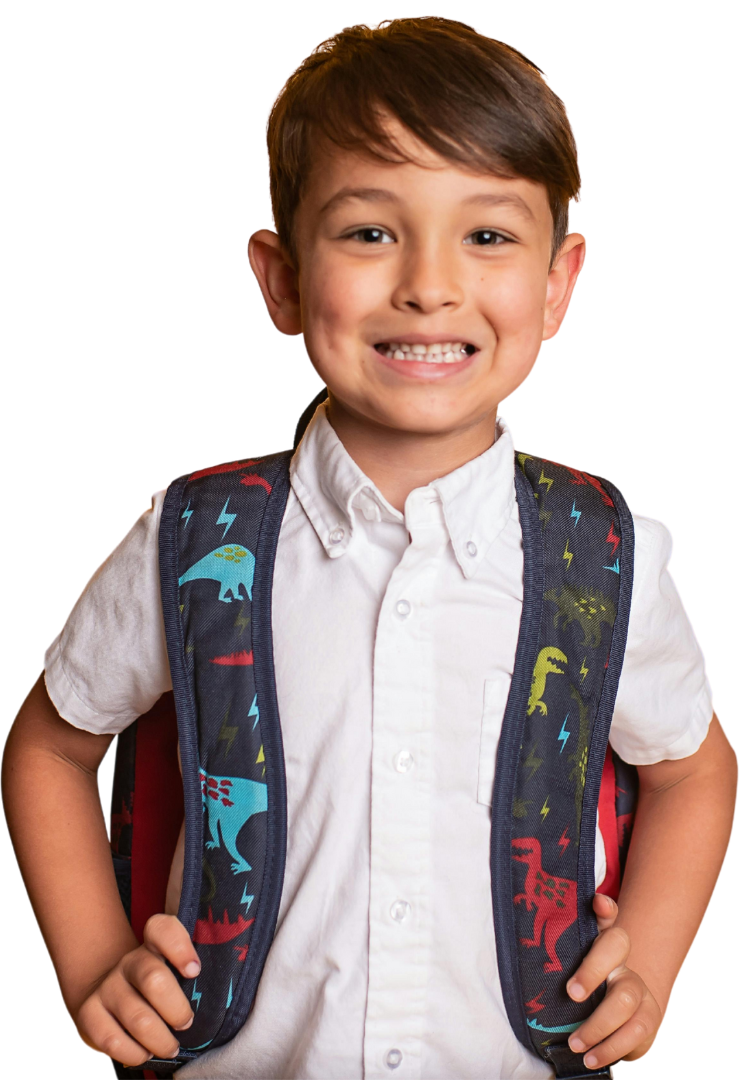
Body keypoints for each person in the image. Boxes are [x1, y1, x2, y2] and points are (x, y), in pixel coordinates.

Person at [2, 16, 737, 1080]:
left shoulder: (606, 554)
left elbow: (693, 770)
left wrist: (652, 966)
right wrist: (90, 964)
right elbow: (49, 746)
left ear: (557, 283)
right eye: (368, 233)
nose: (428, 286)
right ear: (282, 279)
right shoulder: (191, 536)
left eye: (485, 235)